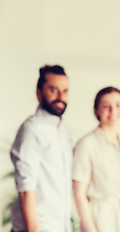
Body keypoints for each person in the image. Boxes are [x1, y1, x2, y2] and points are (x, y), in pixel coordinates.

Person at [10, 65, 72, 232]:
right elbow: (25, 189)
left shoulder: (63, 132)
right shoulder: (32, 130)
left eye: (65, 91)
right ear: (39, 93)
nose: (61, 96)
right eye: (53, 90)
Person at [72, 86, 120, 232]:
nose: (113, 111)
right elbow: (79, 193)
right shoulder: (86, 144)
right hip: (102, 221)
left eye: (118, 105)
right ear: (96, 110)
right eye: (106, 106)